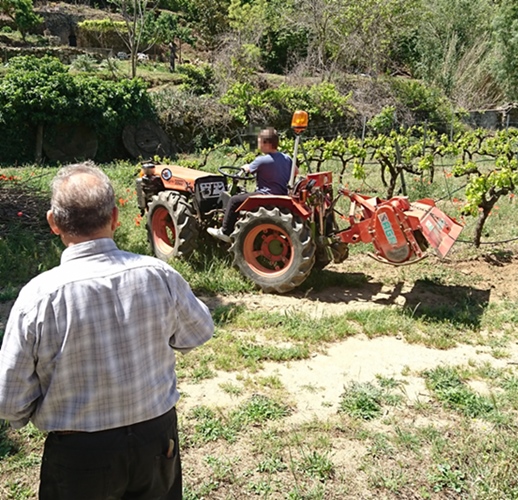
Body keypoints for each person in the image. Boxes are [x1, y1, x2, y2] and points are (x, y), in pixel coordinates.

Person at [0, 162, 214, 500]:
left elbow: (8, 401)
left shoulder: (39, 297)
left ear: (53, 223)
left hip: (80, 453)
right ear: (115, 218)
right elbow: (197, 333)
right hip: (157, 441)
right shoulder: (158, 275)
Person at [207, 127, 297, 243]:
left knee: (234, 200)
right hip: (281, 195)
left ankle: (225, 232)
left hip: (265, 195)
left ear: (266, 144)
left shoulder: (262, 160)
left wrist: (245, 167)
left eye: (259, 142)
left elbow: (248, 169)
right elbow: (296, 172)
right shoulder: (287, 158)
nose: (258, 145)